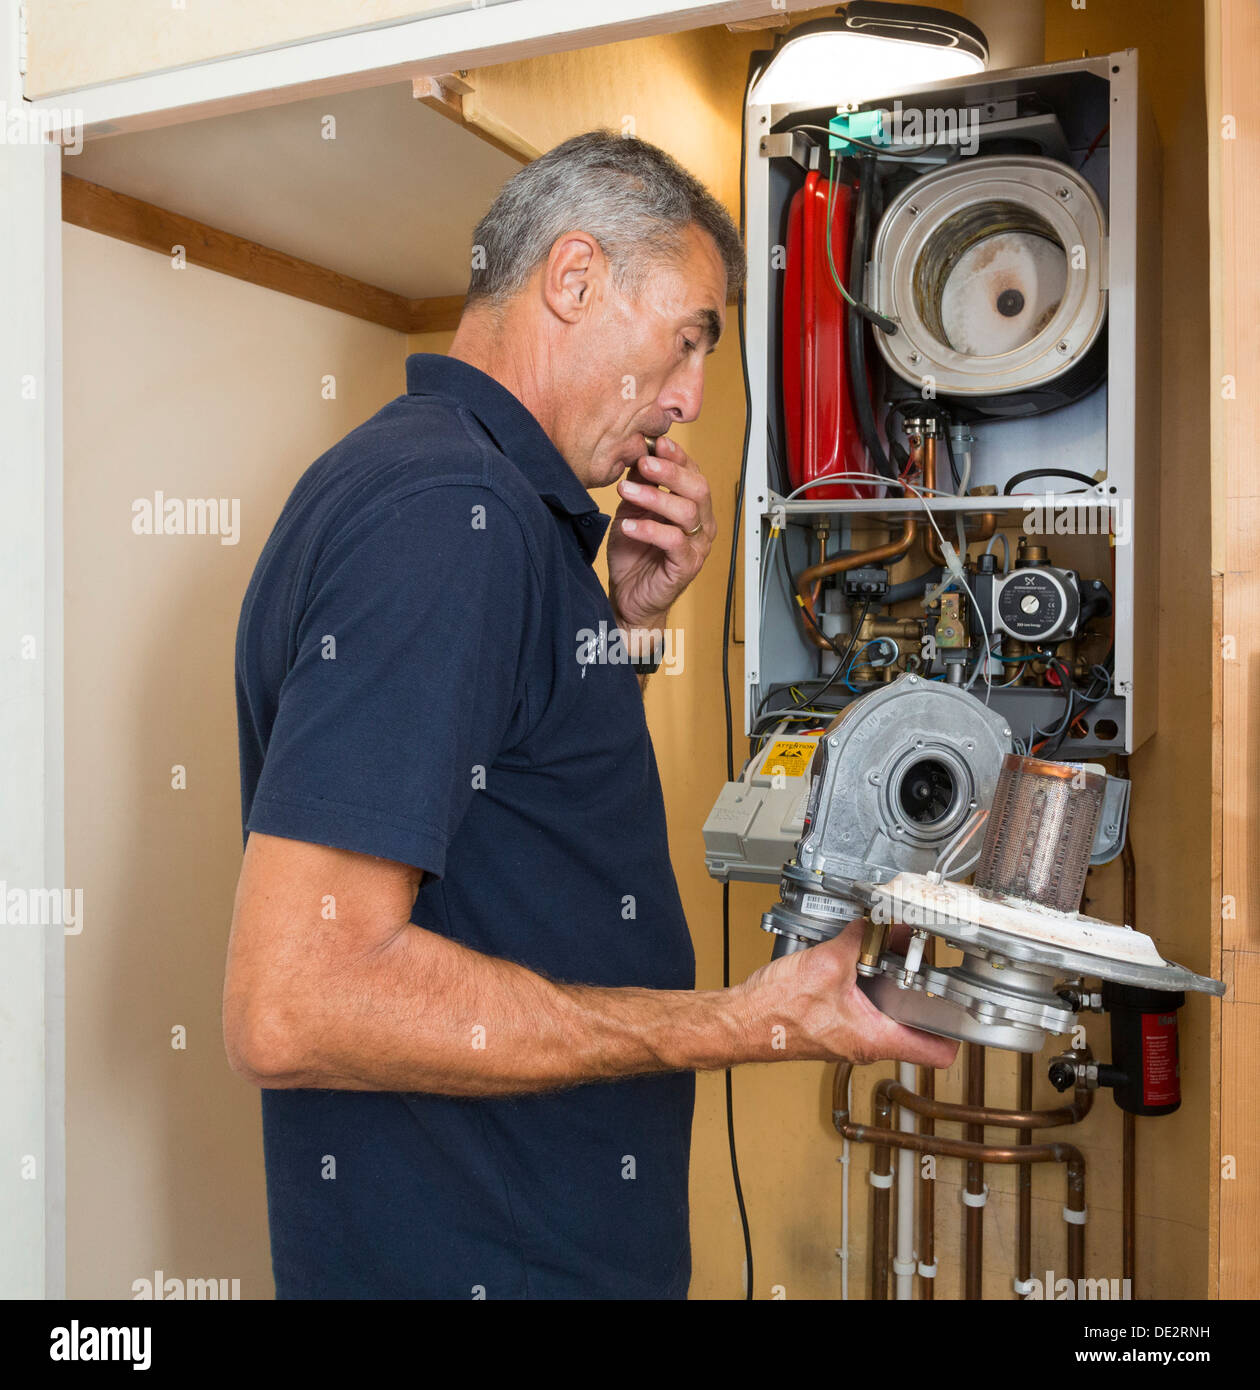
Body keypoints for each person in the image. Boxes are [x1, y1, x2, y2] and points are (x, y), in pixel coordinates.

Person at [224, 129, 956, 1300]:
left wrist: (624, 625)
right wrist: (735, 1022)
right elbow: (296, 1001)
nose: (691, 398)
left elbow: (507, 808)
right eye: (689, 338)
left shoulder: (475, 501)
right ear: (573, 278)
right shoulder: (448, 513)